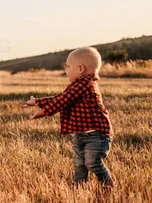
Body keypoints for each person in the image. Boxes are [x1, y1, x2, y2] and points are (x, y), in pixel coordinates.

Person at [22, 47, 114, 186]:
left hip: (96, 135)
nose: (66, 71)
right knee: (80, 164)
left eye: (68, 67)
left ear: (80, 69)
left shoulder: (85, 84)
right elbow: (61, 97)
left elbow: (62, 101)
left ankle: (108, 186)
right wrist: (37, 102)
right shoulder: (77, 85)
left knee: (92, 163)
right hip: (81, 134)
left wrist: (43, 112)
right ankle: (78, 188)